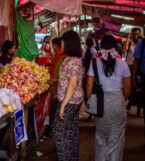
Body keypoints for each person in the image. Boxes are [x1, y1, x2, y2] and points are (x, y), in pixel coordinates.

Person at [86, 35, 131, 161]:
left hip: (101, 102)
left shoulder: (94, 63)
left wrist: (92, 101)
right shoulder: (123, 64)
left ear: (101, 47)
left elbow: (89, 85)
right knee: (116, 137)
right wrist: (121, 100)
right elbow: (127, 89)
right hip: (117, 100)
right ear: (115, 48)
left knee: (101, 135)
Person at [52, 30, 83, 161]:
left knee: (59, 132)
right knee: (70, 131)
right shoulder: (72, 59)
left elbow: (72, 84)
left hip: (69, 102)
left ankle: (65, 158)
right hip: (73, 101)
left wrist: (63, 105)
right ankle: (72, 157)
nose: (62, 44)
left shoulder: (73, 61)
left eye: (63, 42)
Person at [121, 28, 142, 114]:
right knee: (129, 88)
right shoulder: (130, 43)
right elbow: (123, 50)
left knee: (139, 88)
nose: (135, 36)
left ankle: (138, 109)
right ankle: (129, 104)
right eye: (133, 34)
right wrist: (128, 38)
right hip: (129, 68)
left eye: (137, 34)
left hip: (139, 69)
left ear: (140, 34)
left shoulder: (142, 43)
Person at [132, 36, 145, 137]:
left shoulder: (142, 42)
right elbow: (136, 62)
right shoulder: (142, 42)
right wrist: (133, 79)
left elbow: (136, 62)